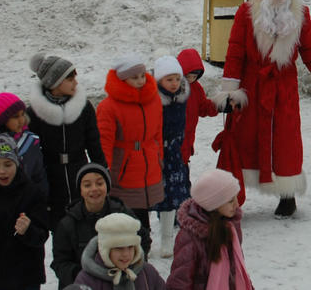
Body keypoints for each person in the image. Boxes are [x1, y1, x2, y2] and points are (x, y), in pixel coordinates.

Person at [213, 0, 311, 218]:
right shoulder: (245, 13)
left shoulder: (300, 15)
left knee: (285, 142)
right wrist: (230, 90)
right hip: (251, 87)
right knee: (244, 140)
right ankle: (231, 197)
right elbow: (235, 50)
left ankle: (287, 196)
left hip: (283, 89)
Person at [26, 52, 106, 230]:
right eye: (70, 79)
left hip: (79, 171)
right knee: (59, 226)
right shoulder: (34, 113)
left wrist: (101, 169)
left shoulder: (83, 107)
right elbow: (31, 152)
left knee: (86, 225)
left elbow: (93, 141)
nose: (76, 83)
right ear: (54, 82)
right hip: (51, 177)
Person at [51, 164, 151, 289]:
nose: (94, 189)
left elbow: (144, 241)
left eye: (99, 183)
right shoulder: (68, 223)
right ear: (80, 190)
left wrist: (132, 267)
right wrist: (86, 276)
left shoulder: (122, 213)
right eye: (87, 185)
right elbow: (60, 263)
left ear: (107, 186)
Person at [96, 55, 164, 234]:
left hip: (149, 164)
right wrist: (107, 169)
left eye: (143, 75)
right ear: (122, 79)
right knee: (126, 218)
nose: (141, 81)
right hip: (124, 169)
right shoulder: (108, 107)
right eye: (135, 77)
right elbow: (105, 141)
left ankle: (144, 251)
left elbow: (158, 132)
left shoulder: (153, 100)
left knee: (143, 220)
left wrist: (159, 157)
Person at [0, 134, 49, 290]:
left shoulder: (33, 193)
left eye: (8, 164)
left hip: (27, 278)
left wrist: (28, 230)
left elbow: (42, 234)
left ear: (17, 163)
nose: (2, 171)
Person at [166, 169, 254, 289]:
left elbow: (237, 267)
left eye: (236, 198)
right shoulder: (190, 238)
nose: (237, 205)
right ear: (214, 204)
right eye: (230, 201)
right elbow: (180, 281)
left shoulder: (231, 226)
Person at [147, 56, 192, 259]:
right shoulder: (151, 99)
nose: (174, 84)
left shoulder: (182, 96)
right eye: (169, 80)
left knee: (173, 197)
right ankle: (144, 237)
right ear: (158, 81)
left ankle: (167, 239)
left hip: (174, 154)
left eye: (176, 79)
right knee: (150, 197)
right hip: (155, 153)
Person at [0, 92, 48, 197]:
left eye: (23, 114)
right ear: (1, 120)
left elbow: (38, 175)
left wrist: (41, 201)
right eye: (15, 117)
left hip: (25, 202)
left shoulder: (30, 141)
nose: (22, 120)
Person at [73, 213, 165, 289]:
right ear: (105, 250)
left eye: (130, 247)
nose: (126, 254)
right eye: (119, 248)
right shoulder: (87, 280)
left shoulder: (147, 273)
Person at [176, 49, 221, 167]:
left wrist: (219, 105)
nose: (191, 79)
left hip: (187, 143)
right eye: (187, 76)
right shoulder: (172, 88)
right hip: (172, 145)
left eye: (194, 76)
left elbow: (204, 107)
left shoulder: (196, 88)